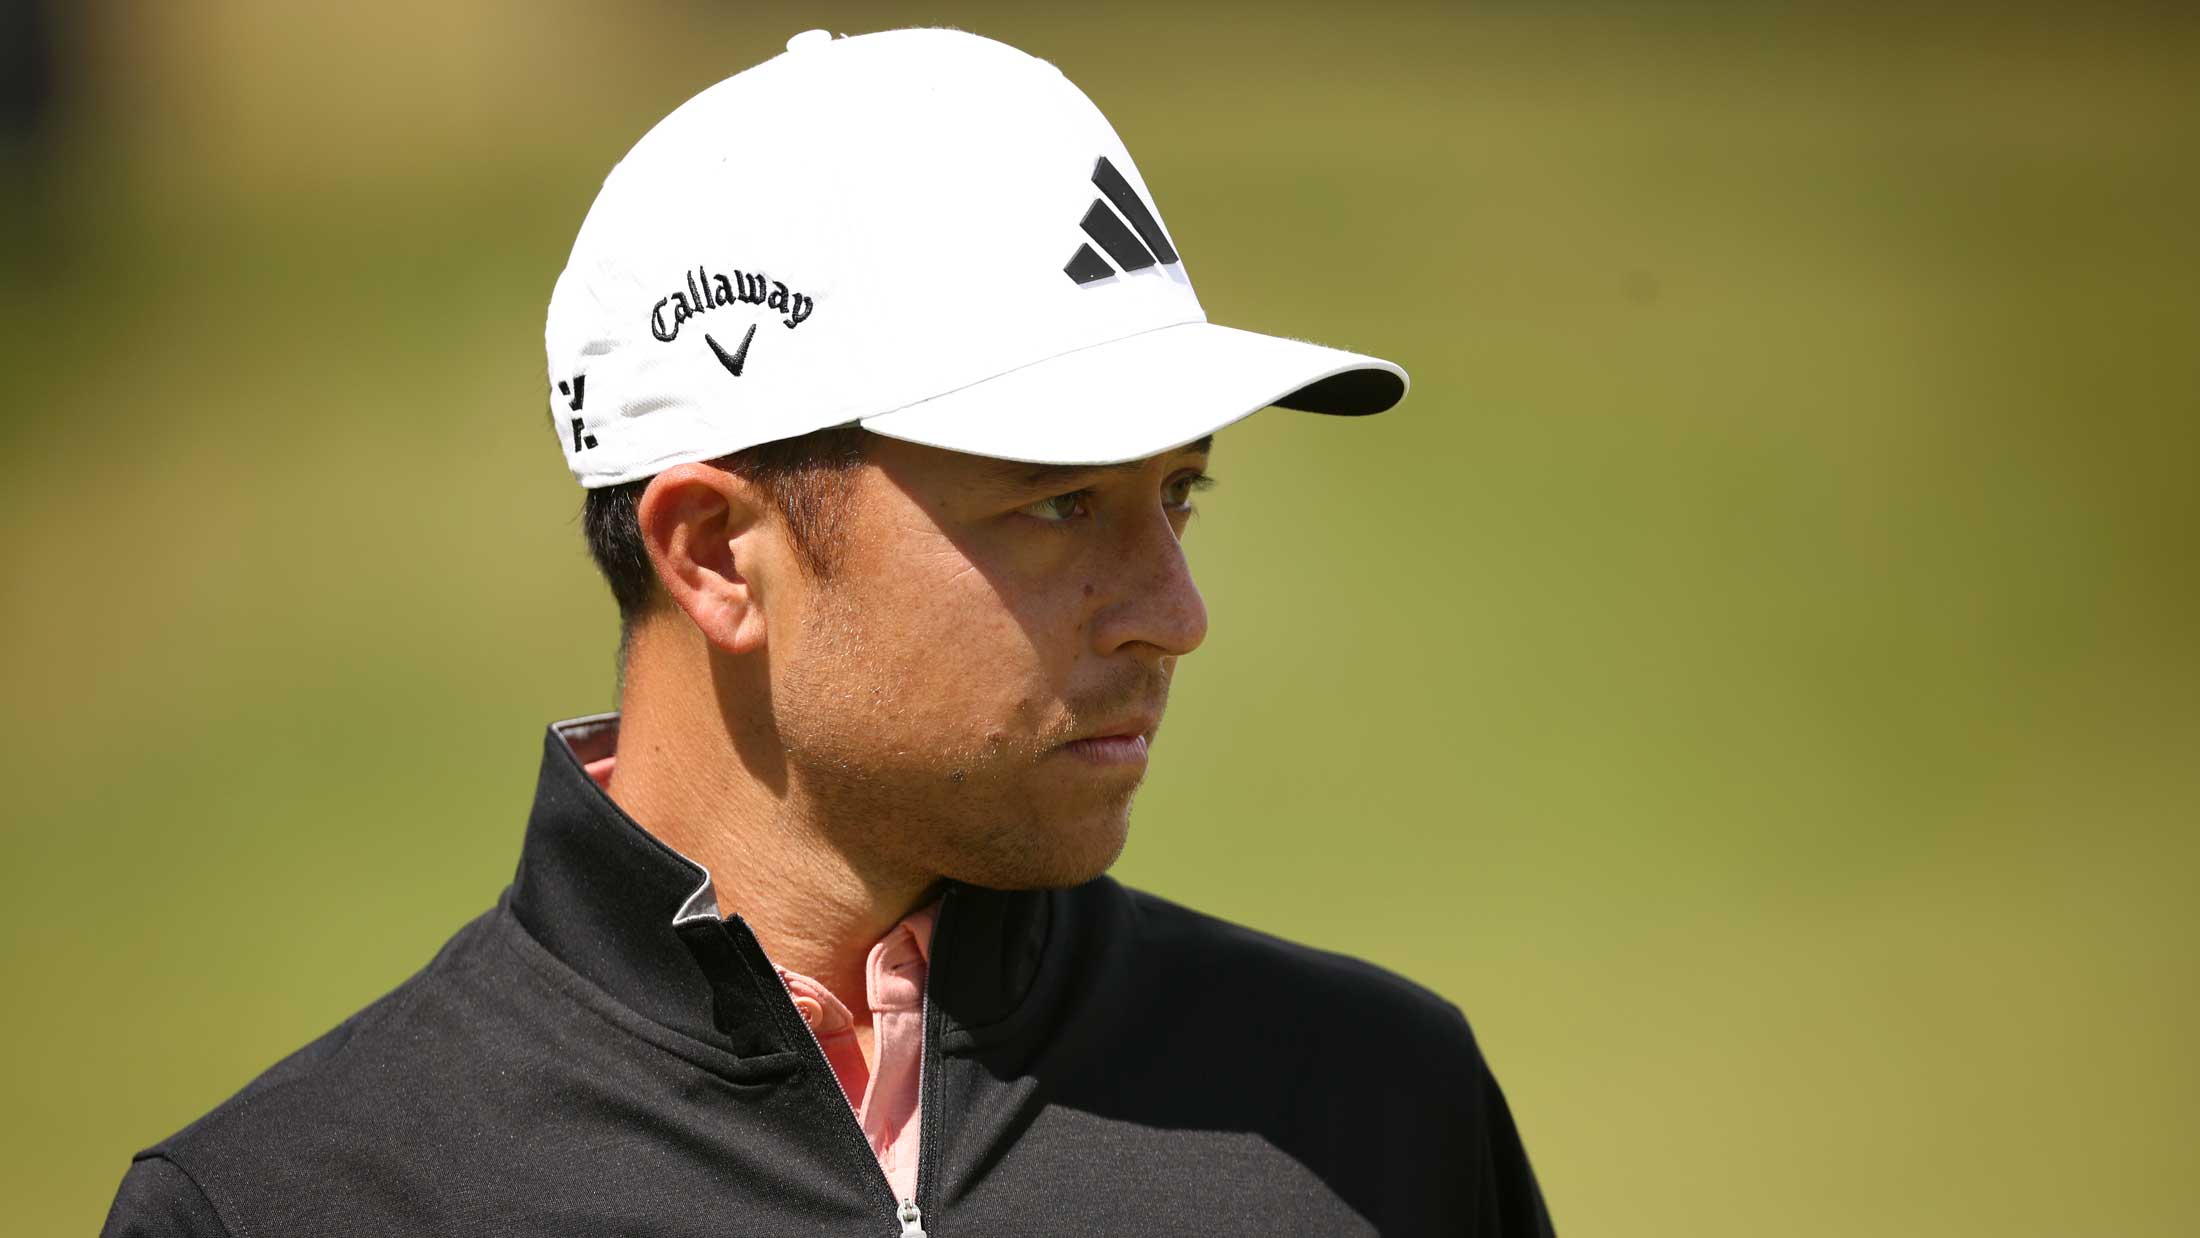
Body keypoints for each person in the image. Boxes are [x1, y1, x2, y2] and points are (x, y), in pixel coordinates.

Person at [102, 27, 1554, 1237]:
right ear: (716, 553)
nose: (1178, 613)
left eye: (1177, 494)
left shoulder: (1374, 1113)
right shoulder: (283, 1205)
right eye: (1057, 507)